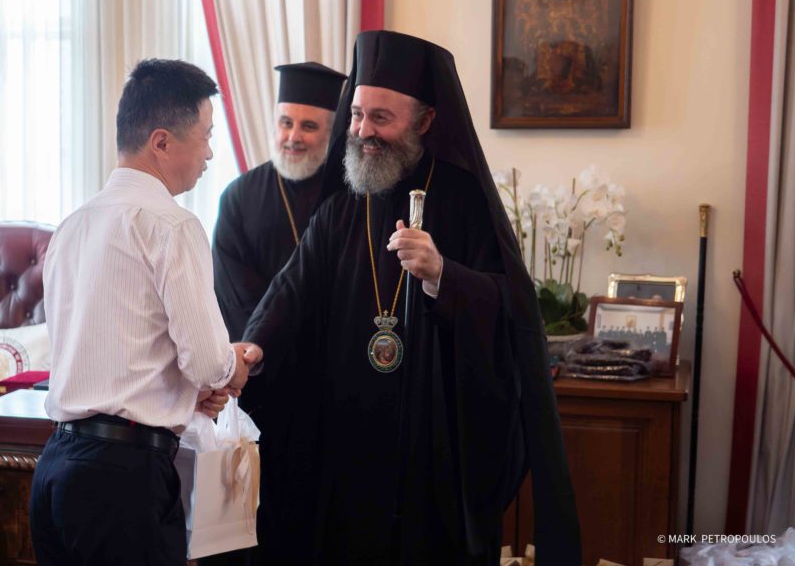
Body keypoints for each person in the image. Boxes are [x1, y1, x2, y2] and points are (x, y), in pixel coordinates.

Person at [238, 31, 582, 565]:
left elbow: (510, 307)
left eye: (382, 118)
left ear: (424, 121)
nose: (362, 132)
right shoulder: (341, 208)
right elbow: (292, 289)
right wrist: (255, 346)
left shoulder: (465, 202)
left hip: (433, 445)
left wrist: (445, 275)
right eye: (356, 115)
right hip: (346, 441)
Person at [29, 58, 250, 566]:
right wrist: (235, 364)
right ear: (162, 142)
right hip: (123, 480)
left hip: (55, 467)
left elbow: (98, 354)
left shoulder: (71, 226)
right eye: (205, 135)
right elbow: (208, 363)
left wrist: (186, 391)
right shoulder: (172, 226)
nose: (211, 152)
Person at [210, 61, 345, 566]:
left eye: (309, 125)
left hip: (335, 397)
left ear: (331, 134)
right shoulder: (239, 197)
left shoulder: (350, 199)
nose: (293, 136)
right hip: (263, 398)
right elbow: (238, 301)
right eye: (286, 123)